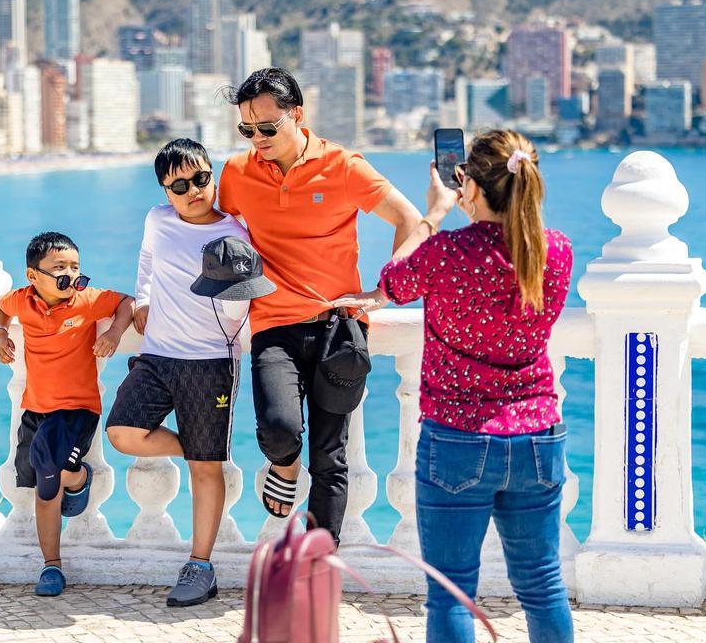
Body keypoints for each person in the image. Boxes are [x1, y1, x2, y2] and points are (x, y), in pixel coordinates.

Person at [336, 130, 575, 642]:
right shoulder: (555, 250)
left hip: (458, 437)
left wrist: (436, 211)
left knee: (451, 592)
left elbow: (393, 281)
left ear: (470, 184)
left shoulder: (447, 251)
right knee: (542, 584)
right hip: (537, 434)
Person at [217, 67, 423, 544]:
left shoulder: (344, 166)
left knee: (331, 456)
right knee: (278, 429)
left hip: (338, 328)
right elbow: (211, 230)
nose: (257, 139)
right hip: (273, 323)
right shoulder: (238, 173)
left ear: (298, 115)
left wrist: (384, 291)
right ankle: (285, 466)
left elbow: (410, 220)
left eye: (268, 128)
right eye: (247, 130)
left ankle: (320, 558)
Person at [106, 139, 275, 607]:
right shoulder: (157, 220)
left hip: (212, 362)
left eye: (200, 179)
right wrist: (142, 298)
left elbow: (253, 291)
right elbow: (146, 261)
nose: (193, 191)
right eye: (179, 186)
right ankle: (200, 447)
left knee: (205, 469)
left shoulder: (237, 231)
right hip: (158, 355)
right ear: (166, 191)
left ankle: (200, 565)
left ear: (212, 176)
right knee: (122, 432)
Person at [0, 232, 134, 597]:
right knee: (43, 484)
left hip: (77, 409)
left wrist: (115, 333)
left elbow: (126, 302)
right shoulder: (22, 301)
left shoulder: (86, 300)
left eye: (75, 266)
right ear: (33, 276)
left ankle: (54, 559)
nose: (70, 274)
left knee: (47, 472)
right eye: (59, 267)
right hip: (36, 409)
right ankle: (74, 490)